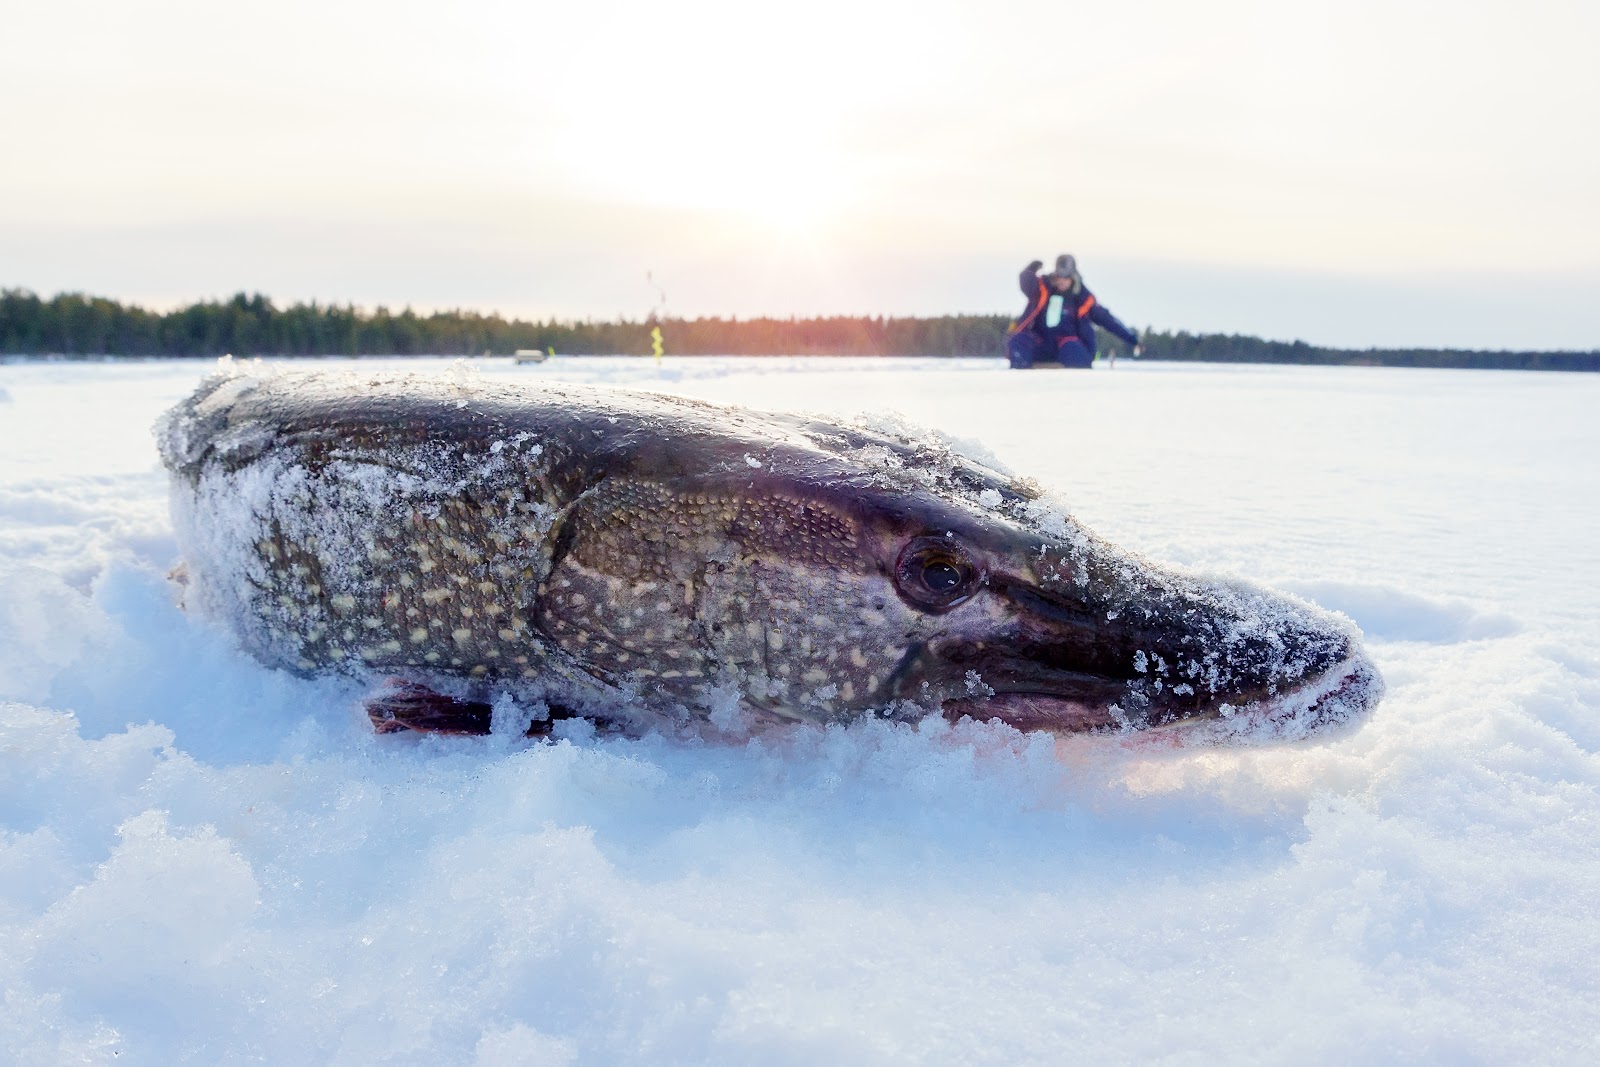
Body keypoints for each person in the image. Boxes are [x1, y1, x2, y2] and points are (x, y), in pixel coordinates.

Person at [1007, 254, 1142, 368]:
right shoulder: (1043, 288)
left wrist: (1132, 339)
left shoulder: (1084, 299)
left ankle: (1072, 383)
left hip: (1069, 346)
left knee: (1070, 348)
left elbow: (1108, 321)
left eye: (1065, 278)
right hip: (1042, 342)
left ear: (1073, 277)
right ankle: (1022, 375)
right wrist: (1030, 269)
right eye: (1058, 277)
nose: (1061, 281)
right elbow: (1026, 281)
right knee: (1018, 340)